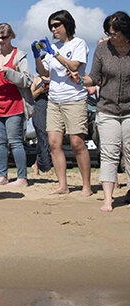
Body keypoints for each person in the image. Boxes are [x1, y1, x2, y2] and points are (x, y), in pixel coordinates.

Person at [68, 11, 130, 211]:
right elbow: (93, 78)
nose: (110, 37)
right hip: (107, 108)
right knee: (109, 153)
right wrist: (79, 79)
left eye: (113, 33)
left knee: (129, 153)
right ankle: (108, 199)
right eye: (108, 33)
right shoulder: (103, 49)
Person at [32, 9, 92, 196]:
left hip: (74, 98)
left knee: (76, 143)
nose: (53, 28)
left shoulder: (78, 43)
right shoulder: (53, 47)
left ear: (67, 24)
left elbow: (75, 66)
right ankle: (63, 186)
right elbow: (44, 72)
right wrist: (37, 55)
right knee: (54, 143)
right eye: (51, 26)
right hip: (54, 100)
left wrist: (54, 52)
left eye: (57, 24)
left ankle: (87, 186)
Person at [0, 23, 34, 186]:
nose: (1, 40)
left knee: (15, 141)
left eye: (4, 37)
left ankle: (22, 177)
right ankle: (2, 176)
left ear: (12, 36)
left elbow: (28, 80)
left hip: (15, 104)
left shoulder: (20, 56)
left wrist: (7, 71)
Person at [30, 75, 53, 176]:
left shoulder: (55, 77)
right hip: (39, 111)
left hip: (53, 111)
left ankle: (36, 164)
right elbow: (30, 98)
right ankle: (47, 168)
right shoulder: (36, 80)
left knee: (49, 139)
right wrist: (40, 90)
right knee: (43, 137)